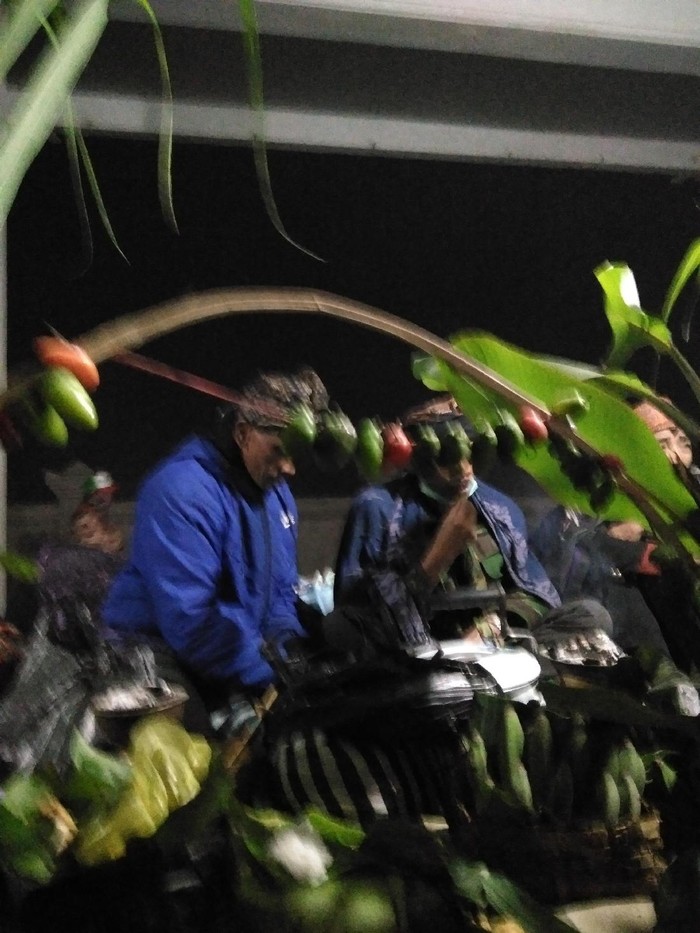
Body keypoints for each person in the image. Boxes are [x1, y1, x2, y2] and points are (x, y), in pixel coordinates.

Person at [102, 367, 332, 736]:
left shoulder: (276, 496)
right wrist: (273, 673)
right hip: (153, 660)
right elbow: (193, 622)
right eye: (278, 451)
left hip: (228, 658)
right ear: (242, 433)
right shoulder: (182, 491)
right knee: (205, 762)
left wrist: (294, 657)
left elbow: (280, 598)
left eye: (296, 454)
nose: (289, 468)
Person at [332, 395, 614, 657]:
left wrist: (491, 628)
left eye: (470, 452)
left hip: (495, 646)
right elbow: (359, 617)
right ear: (421, 460)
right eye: (447, 457)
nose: (463, 468)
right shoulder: (378, 508)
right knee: (340, 627)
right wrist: (436, 559)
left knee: (591, 615)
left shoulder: (499, 507)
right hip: (418, 656)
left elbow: (534, 593)